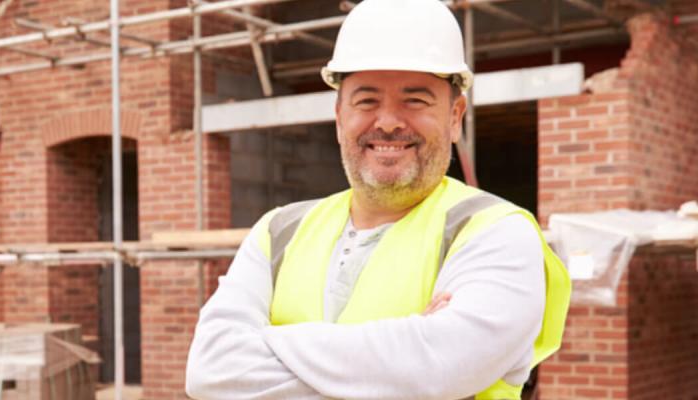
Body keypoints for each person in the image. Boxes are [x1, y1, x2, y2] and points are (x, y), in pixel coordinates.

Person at [184, 0, 571, 398]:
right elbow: (210, 370)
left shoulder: (497, 233)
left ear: (455, 116)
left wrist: (271, 348)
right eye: (366, 100)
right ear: (339, 117)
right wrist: (397, 364)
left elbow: (439, 367)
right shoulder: (279, 231)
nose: (387, 121)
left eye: (415, 100)